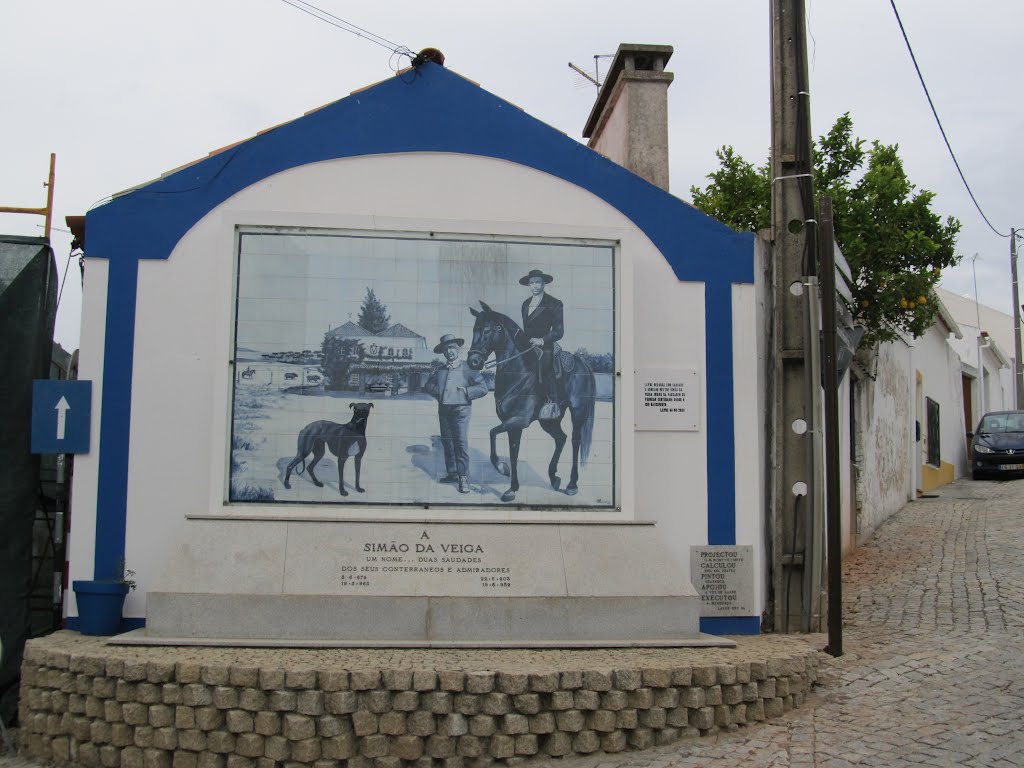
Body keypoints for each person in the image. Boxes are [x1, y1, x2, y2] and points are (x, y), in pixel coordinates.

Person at [423, 334, 489, 493]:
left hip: (461, 409)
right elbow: (428, 386)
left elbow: (483, 388)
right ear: (443, 353)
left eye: (452, 348)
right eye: (446, 350)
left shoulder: (468, 368)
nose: (449, 352)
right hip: (444, 410)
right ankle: (452, 473)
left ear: (458, 350)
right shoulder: (440, 370)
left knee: (460, 443)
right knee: (448, 442)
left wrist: (467, 391)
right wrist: (439, 393)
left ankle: (463, 478)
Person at [519, 268, 564, 414]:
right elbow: (526, 331)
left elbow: (559, 331)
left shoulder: (555, 303)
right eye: (532, 283)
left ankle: (553, 404)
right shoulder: (525, 304)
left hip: (545, 347)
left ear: (544, 283)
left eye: (538, 282)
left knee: (545, 368)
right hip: (528, 346)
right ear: (529, 285)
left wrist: (542, 340)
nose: (535, 286)